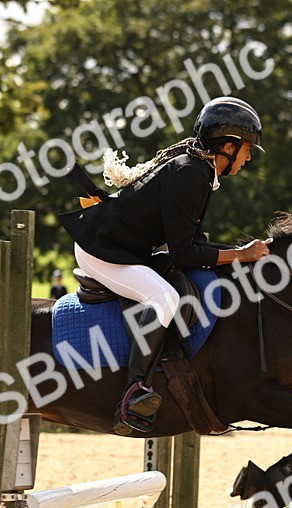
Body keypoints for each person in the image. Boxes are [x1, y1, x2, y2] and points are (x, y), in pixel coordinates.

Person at [59, 96, 270, 435]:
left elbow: (193, 243)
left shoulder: (199, 172)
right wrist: (240, 255)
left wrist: (237, 256)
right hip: (102, 251)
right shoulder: (191, 174)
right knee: (165, 299)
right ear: (228, 146)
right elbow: (185, 253)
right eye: (247, 150)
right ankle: (133, 394)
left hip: (125, 248)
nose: (247, 158)